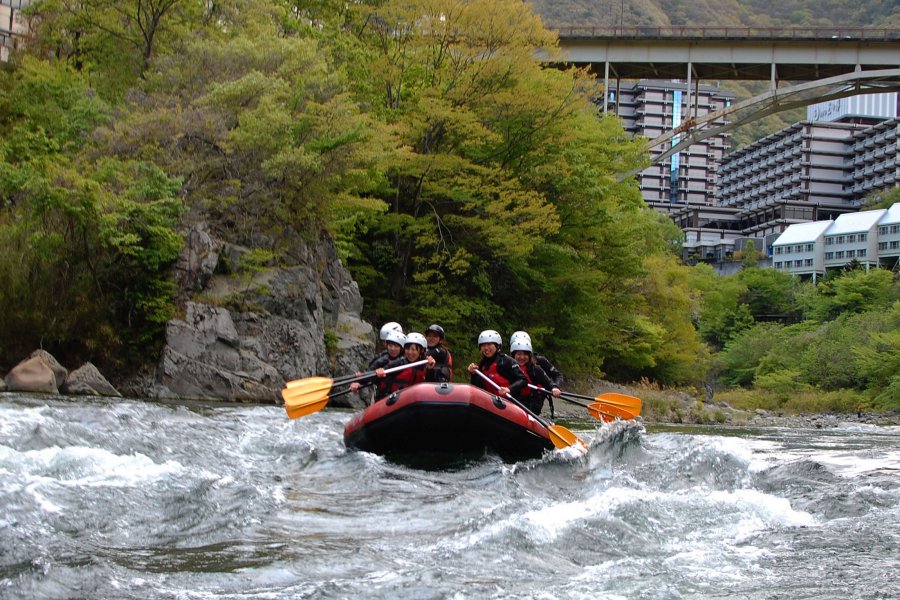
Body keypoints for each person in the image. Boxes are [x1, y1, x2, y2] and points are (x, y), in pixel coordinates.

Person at [507, 331, 559, 416]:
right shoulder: (507, 364)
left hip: (534, 399)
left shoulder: (537, 366)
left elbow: (554, 377)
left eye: (525, 354)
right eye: (519, 354)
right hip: (515, 398)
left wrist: (554, 387)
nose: (522, 357)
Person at [466, 330, 526, 399]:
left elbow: (523, 380)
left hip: (509, 401)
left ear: (497, 346)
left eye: (489, 344)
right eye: (483, 345)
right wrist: (474, 374)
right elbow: (477, 387)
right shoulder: (482, 364)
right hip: (492, 402)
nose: (486, 348)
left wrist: (509, 389)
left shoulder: (507, 361)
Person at [375, 332, 435, 399]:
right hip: (393, 401)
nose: (409, 352)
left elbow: (432, 386)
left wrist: (430, 369)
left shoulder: (425, 364)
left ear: (421, 350)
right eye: (407, 349)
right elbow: (378, 379)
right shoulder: (398, 363)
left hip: (414, 402)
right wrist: (379, 374)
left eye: (413, 349)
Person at [350, 327, 405, 397]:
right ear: (387, 345)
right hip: (384, 397)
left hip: (402, 396)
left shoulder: (407, 360)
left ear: (402, 348)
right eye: (390, 346)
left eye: (396, 346)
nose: (392, 349)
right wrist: (357, 382)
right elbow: (369, 374)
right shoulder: (382, 360)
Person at [511, 331, 564, 395]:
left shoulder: (539, 362)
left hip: (536, 395)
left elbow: (558, 375)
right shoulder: (508, 362)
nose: (522, 357)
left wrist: (555, 387)